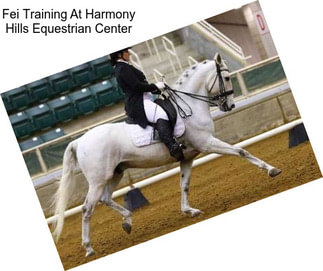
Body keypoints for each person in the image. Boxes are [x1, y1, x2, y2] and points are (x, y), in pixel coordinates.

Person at [110, 47, 184, 161]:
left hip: (144, 99)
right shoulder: (123, 69)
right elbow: (137, 86)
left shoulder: (124, 67)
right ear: (119, 54)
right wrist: (154, 86)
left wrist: (155, 89)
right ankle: (172, 147)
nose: (129, 54)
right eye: (126, 52)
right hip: (138, 103)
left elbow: (140, 85)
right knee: (161, 114)